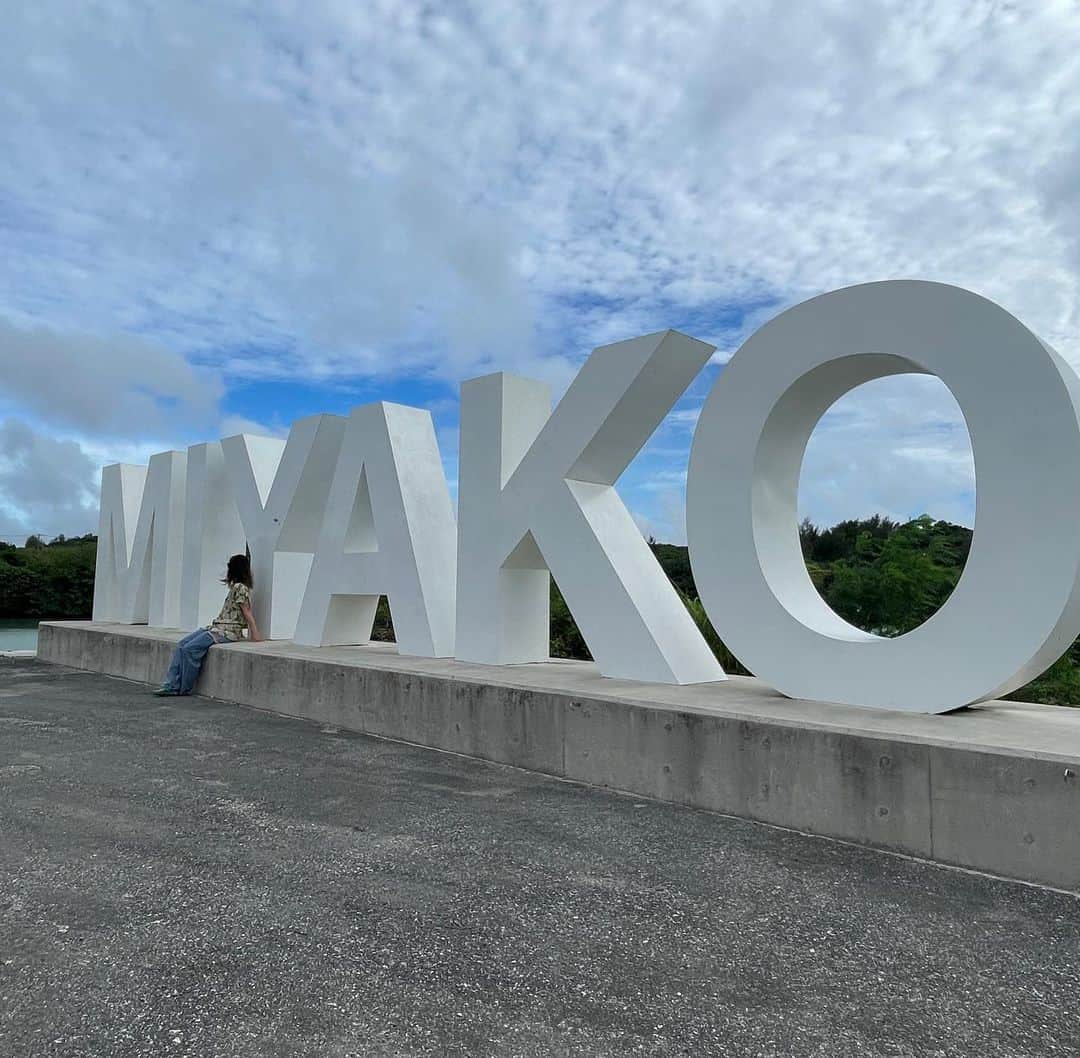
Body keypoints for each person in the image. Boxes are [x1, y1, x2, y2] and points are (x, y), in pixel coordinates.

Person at [154, 553, 262, 697]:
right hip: (217, 627)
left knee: (189, 649)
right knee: (182, 644)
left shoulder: (240, 588)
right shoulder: (236, 587)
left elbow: (246, 611)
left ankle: (182, 687)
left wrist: (255, 634)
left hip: (227, 631)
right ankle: (171, 684)